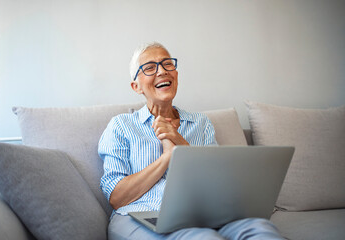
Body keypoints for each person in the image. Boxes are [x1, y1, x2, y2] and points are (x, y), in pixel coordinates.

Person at [98, 42, 285, 240]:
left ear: (176, 75)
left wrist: (179, 142)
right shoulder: (121, 125)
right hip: (137, 216)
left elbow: (216, 185)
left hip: (199, 215)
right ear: (136, 86)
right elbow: (117, 197)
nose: (162, 71)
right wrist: (168, 157)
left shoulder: (200, 123)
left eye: (167, 64)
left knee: (260, 228)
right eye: (150, 68)